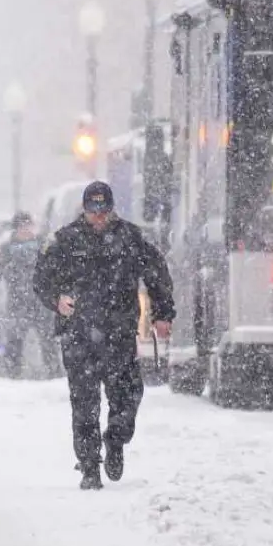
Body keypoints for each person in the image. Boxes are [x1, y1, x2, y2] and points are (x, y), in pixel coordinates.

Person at [33, 181, 175, 490]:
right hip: (78, 334)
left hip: (119, 333)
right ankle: (88, 465)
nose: (98, 217)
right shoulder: (65, 241)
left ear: (111, 210)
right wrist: (57, 300)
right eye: (93, 211)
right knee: (84, 402)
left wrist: (163, 314)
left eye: (104, 211)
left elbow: (157, 274)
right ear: (84, 209)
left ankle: (115, 441)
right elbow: (41, 278)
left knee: (126, 397)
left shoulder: (130, 238)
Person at [0, 211, 60, 379]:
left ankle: (54, 374)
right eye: (22, 226)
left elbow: (55, 268)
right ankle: (13, 375)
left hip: (40, 301)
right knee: (15, 342)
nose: (26, 230)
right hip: (18, 302)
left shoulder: (42, 245)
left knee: (47, 340)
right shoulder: (8, 249)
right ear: (15, 229)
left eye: (28, 225)